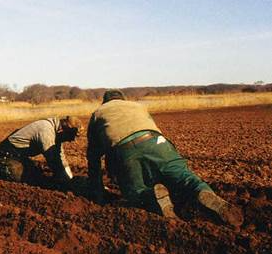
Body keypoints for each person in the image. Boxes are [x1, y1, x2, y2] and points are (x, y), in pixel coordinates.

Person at [86, 90, 243, 227]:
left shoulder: (98, 113)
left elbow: (93, 156)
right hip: (156, 142)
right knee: (184, 176)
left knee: (135, 192)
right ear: (123, 99)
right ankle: (202, 191)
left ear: (105, 101)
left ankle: (153, 197)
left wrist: (98, 192)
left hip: (124, 149)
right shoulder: (138, 106)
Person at [0, 116, 82, 187]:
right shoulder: (46, 131)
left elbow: (59, 155)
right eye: (69, 137)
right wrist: (65, 182)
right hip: (5, 154)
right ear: (62, 130)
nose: (70, 141)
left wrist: (69, 176)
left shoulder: (56, 131)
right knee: (24, 179)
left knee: (35, 174)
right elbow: (52, 159)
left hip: (19, 155)